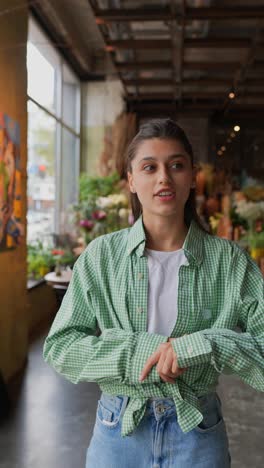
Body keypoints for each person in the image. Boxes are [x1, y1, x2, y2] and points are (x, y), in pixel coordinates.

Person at [43, 118, 264, 468]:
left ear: (192, 176)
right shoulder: (101, 256)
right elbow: (61, 347)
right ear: (131, 180)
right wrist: (142, 352)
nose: (164, 177)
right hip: (118, 433)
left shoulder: (230, 262)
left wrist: (202, 344)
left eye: (176, 165)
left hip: (198, 433)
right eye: (149, 167)